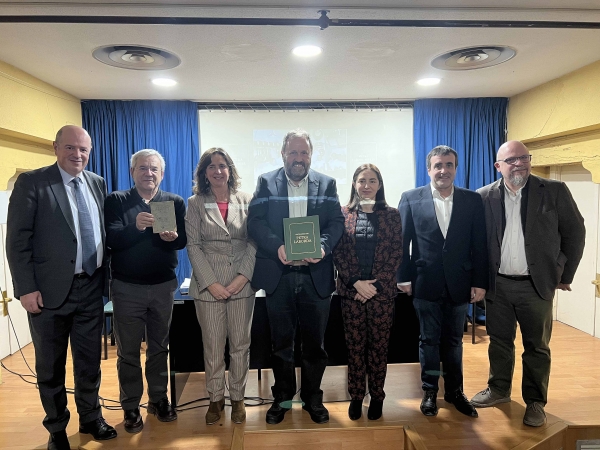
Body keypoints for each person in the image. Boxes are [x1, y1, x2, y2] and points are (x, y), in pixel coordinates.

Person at [6, 125, 117, 450]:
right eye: (70, 148)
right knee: (50, 367)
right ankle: (56, 429)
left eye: (83, 149)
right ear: (56, 148)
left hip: (91, 288)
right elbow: (17, 241)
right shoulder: (33, 182)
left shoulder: (96, 182)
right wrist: (26, 288)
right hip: (48, 293)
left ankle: (90, 418)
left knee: (88, 362)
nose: (77, 155)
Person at [471, 140, 585, 427]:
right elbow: (474, 245)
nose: (519, 163)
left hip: (536, 285)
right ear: (498, 166)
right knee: (499, 343)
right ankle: (498, 390)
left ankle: (535, 402)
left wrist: (564, 274)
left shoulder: (554, 191)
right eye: (511, 160)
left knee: (537, 347)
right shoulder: (483, 197)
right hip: (498, 285)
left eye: (524, 157)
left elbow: (575, 232)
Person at [248, 129, 344, 424]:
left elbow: (336, 222)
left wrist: (324, 247)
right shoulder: (266, 182)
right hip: (281, 276)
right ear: (283, 154)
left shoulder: (326, 184)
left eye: (304, 153)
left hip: (315, 276)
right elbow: (255, 221)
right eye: (293, 153)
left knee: (315, 345)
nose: (298, 158)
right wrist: (277, 245)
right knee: (282, 345)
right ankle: (283, 398)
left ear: (310, 155)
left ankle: (313, 398)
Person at [397, 145, 488, 418]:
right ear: (429, 169)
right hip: (424, 282)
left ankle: (455, 392)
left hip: (460, 284)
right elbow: (402, 244)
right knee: (428, 342)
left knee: (454, 342)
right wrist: (402, 277)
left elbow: (479, 245)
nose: (443, 170)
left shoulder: (472, 200)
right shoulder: (411, 198)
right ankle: (429, 392)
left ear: (455, 169)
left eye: (448, 165)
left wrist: (479, 282)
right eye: (438, 165)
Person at [104, 149, 187, 433]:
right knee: (127, 352)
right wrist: (135, 227)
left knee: (159, 347)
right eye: (142, 168)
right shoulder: (117, 200)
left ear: (161, 174)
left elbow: (182, 242)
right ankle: (130, 406)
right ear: (133, 172)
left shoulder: (174, 202)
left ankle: (159, 399)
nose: (148, 173)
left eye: (154, 169)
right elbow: (111, 238)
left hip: (164, 286)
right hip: (127, 288)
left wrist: (173, 238)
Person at [186, 148, 257, 425]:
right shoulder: (195, 202)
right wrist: (211, 283)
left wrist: (242, 277)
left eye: (222, 165)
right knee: (213, 347)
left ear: (230, 169)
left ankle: (237, 398)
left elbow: (254, 241)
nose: (218, 171)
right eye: (211, 166)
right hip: (208, 286)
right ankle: (215, 399)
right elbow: (192, 245)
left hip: (242, 283)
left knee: (240, 345)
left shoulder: (246, 199)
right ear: (204, 172)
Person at [332, 164, 402, 421]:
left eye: (372, 180)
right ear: (354, 184)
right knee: (355, 347)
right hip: (351, 294)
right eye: (362, 180)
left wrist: (374, 286)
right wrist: (355, 283)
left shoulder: (393, 215)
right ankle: (356, 395)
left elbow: (396, 254)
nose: (367, 185)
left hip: (381, 295)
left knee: (379, 348)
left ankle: (378, 396)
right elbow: (338, 253)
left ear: (379, 184)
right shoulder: (343, 214)